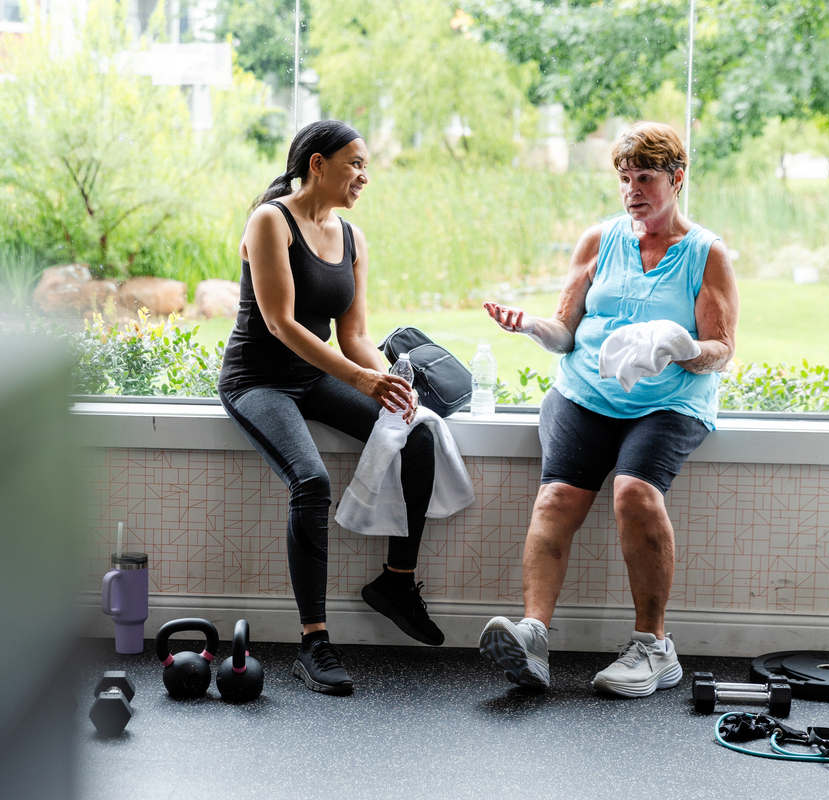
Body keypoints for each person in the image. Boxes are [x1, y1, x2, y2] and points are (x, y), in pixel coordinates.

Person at [477, 121, 739, 696]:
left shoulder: (706, 253)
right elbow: (566, 329)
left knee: (634, 492)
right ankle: (532, 637)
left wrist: (683, 347)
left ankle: (654, 647)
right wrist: (533, 328)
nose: (631, 190)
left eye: (644, 177)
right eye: (624, 178)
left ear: (676, 178)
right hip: (587, 393)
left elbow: (722, 351)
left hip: (668, 400)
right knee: (555, 497)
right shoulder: (599, 241)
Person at [217, 120, 444, 697]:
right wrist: (362, 379)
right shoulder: (271, 220)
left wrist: (390, 382)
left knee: (417, 433)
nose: (364, 176)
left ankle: (396, 581)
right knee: (310, 480)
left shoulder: (352, 237)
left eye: (366, 166)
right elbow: (280, 323)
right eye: (355, 164)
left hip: (317, 378)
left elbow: (355, 335)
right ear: (317, 164)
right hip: (258, 381)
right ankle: (313, 640)